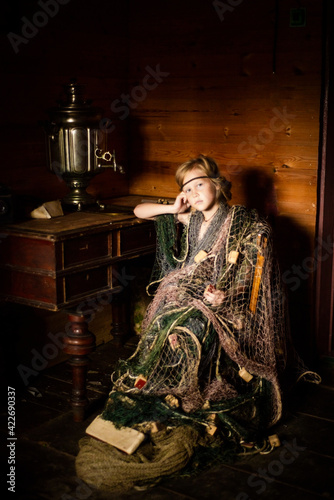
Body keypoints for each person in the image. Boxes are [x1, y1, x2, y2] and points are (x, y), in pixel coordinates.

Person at [77, 156, 320, 490]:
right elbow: (139, 212)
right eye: (186, 188)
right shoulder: (189, 217)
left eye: (199, 184)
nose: (193, 192)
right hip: (184, 293)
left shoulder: (242, 221)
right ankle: (160, 397)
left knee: (189, 327)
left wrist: (223, 295)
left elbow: (252, 273)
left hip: (223, 302)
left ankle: (186, 396)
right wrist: (173, 206)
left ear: (217, 183)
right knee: (163, 324)